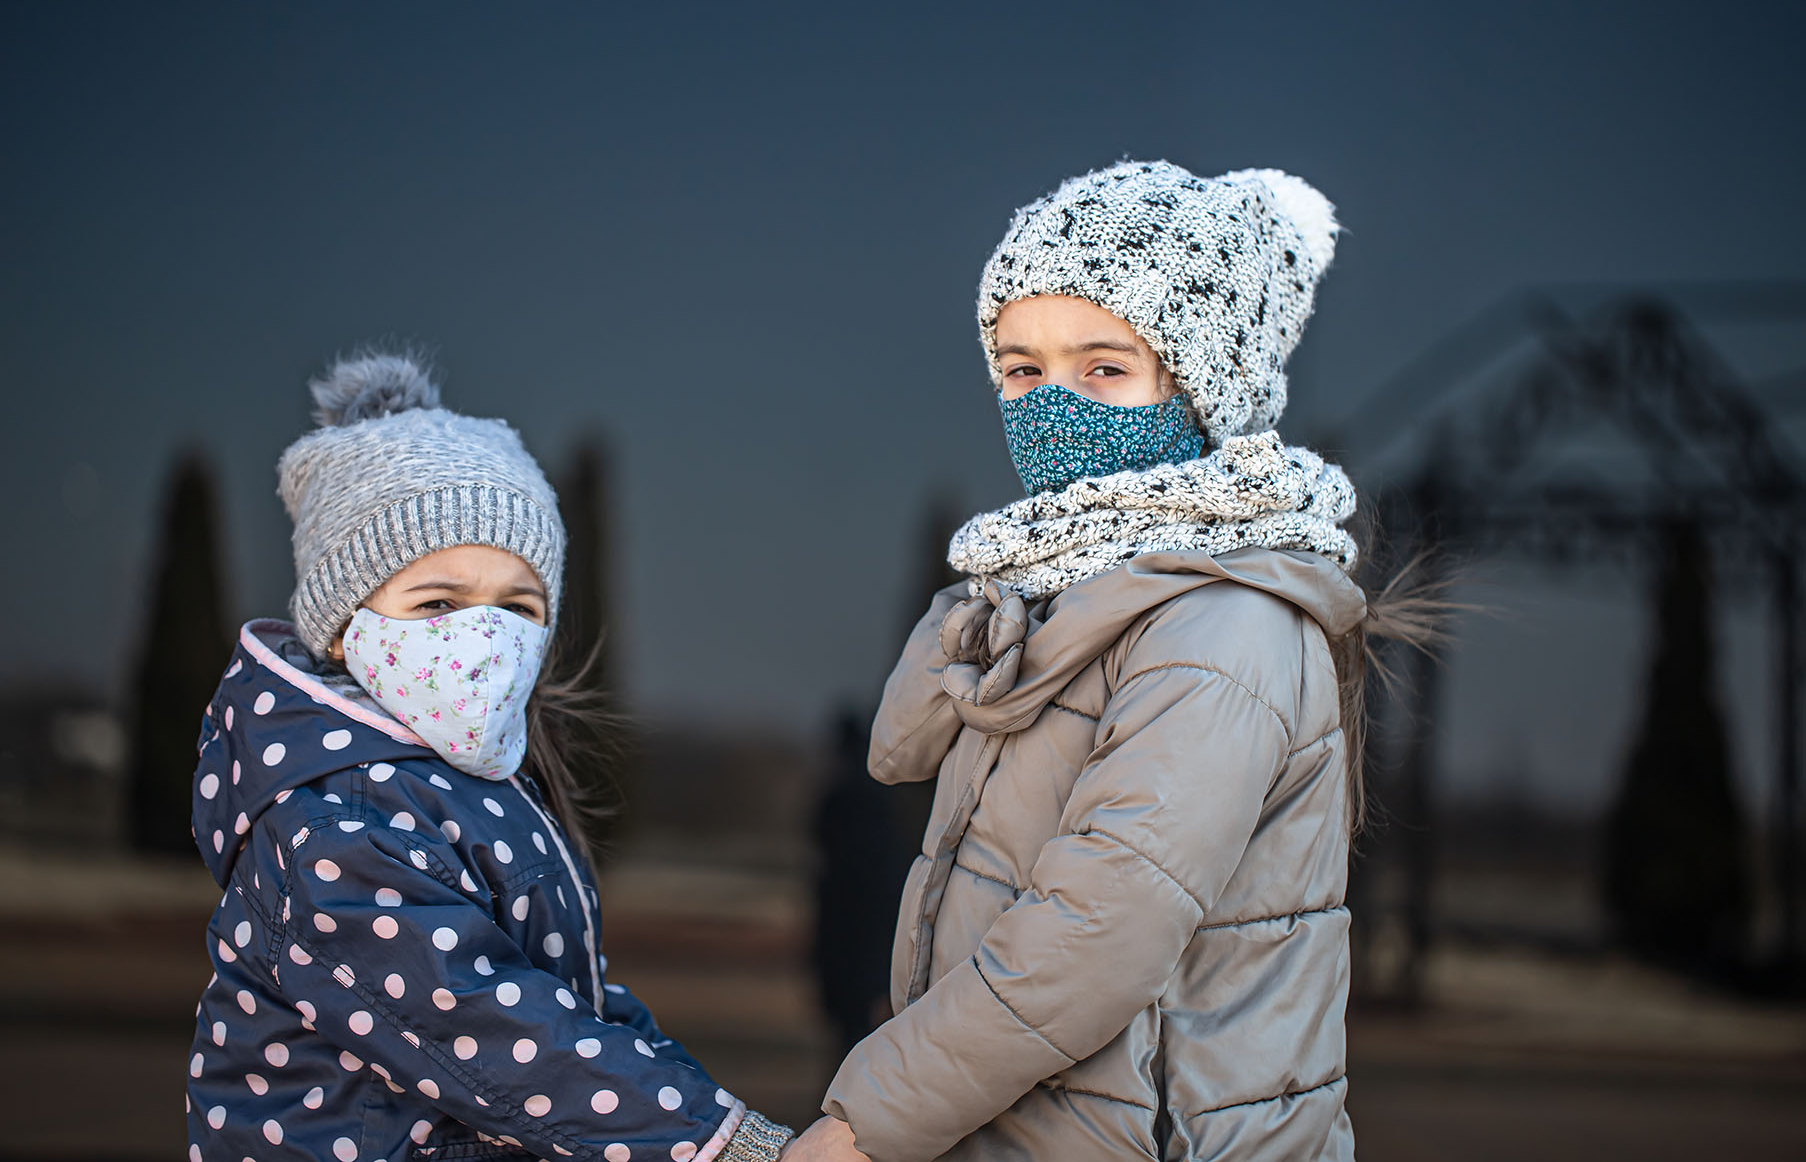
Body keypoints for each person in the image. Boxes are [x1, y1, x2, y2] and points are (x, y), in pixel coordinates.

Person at [804, 160, 1436, 1160]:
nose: (1054, 405)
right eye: (1021, 368)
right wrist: (990, 602)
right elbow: (900, 745)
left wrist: (863, 1128)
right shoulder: (1055, 594)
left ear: (1199, 388)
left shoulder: (1224, 630)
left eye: (1103, 368)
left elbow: (1089, 940)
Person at [186, 354, 794, 1161]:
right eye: (437, 602)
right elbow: (483, 1027)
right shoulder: (330, 816)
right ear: (341, 626)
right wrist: (723, 1145)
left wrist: (721, 1118)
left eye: (519, 605)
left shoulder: (483, 784)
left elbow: (568, 1002)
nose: (487, 635)